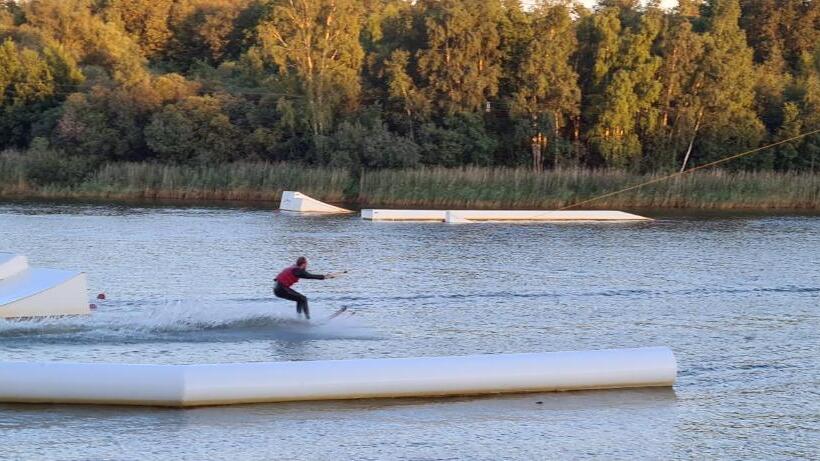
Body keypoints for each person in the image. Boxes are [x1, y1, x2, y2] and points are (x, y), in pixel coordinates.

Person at [273, 256, 343, 320]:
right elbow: (310, 276)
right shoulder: (298, 271)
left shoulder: (295, 268)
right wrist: (324, 277)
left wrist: (326, 276)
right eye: (306, 264)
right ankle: (307, 319)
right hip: (281, 289)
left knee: (300, 299)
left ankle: (299, 318)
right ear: (303, 264)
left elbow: (306, 274)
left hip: (277, 288)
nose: (307, 265)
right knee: (303, 298)